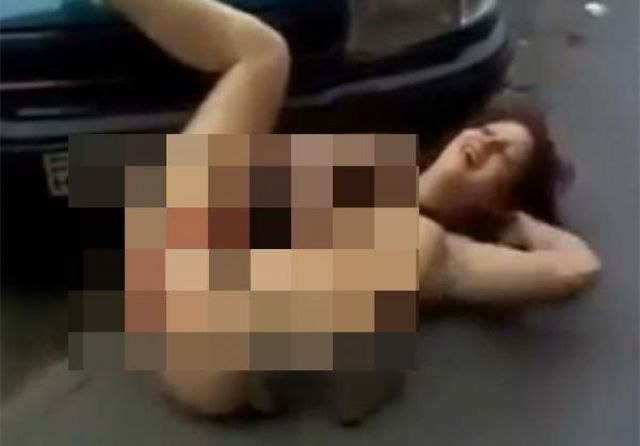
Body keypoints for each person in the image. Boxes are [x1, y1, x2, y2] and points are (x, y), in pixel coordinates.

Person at [104, 0, 601, 419]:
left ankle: (351, 368)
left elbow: (575, 269)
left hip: (208, 345)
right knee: (265, 55)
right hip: (175, 261)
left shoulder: (449, 252)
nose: (484, 144)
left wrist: (518, 222)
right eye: (488, 133)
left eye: (502, 158)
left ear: (498, 201)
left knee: (407, 238)